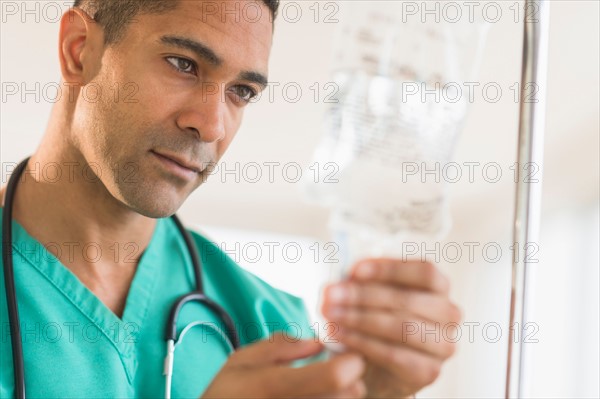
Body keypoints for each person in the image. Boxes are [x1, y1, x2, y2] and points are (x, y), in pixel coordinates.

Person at [0, 0, 462, 397]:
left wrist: (378, 391)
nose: (212, 125)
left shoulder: (271, 326)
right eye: (183, 63)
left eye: (241, 91)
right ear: (79, 50)